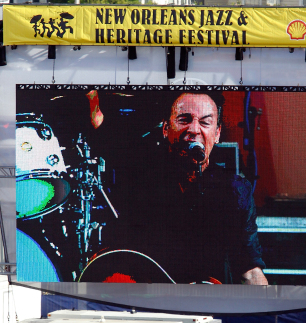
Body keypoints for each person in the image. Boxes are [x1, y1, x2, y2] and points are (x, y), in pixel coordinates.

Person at [92, 91, 268, 285]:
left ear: (217, 134)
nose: (194, 129)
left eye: (205, 122)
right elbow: (118, 261)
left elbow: (250, 270)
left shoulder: (235, 190)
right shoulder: (139, 184)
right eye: (184, 120)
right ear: (166, 128)